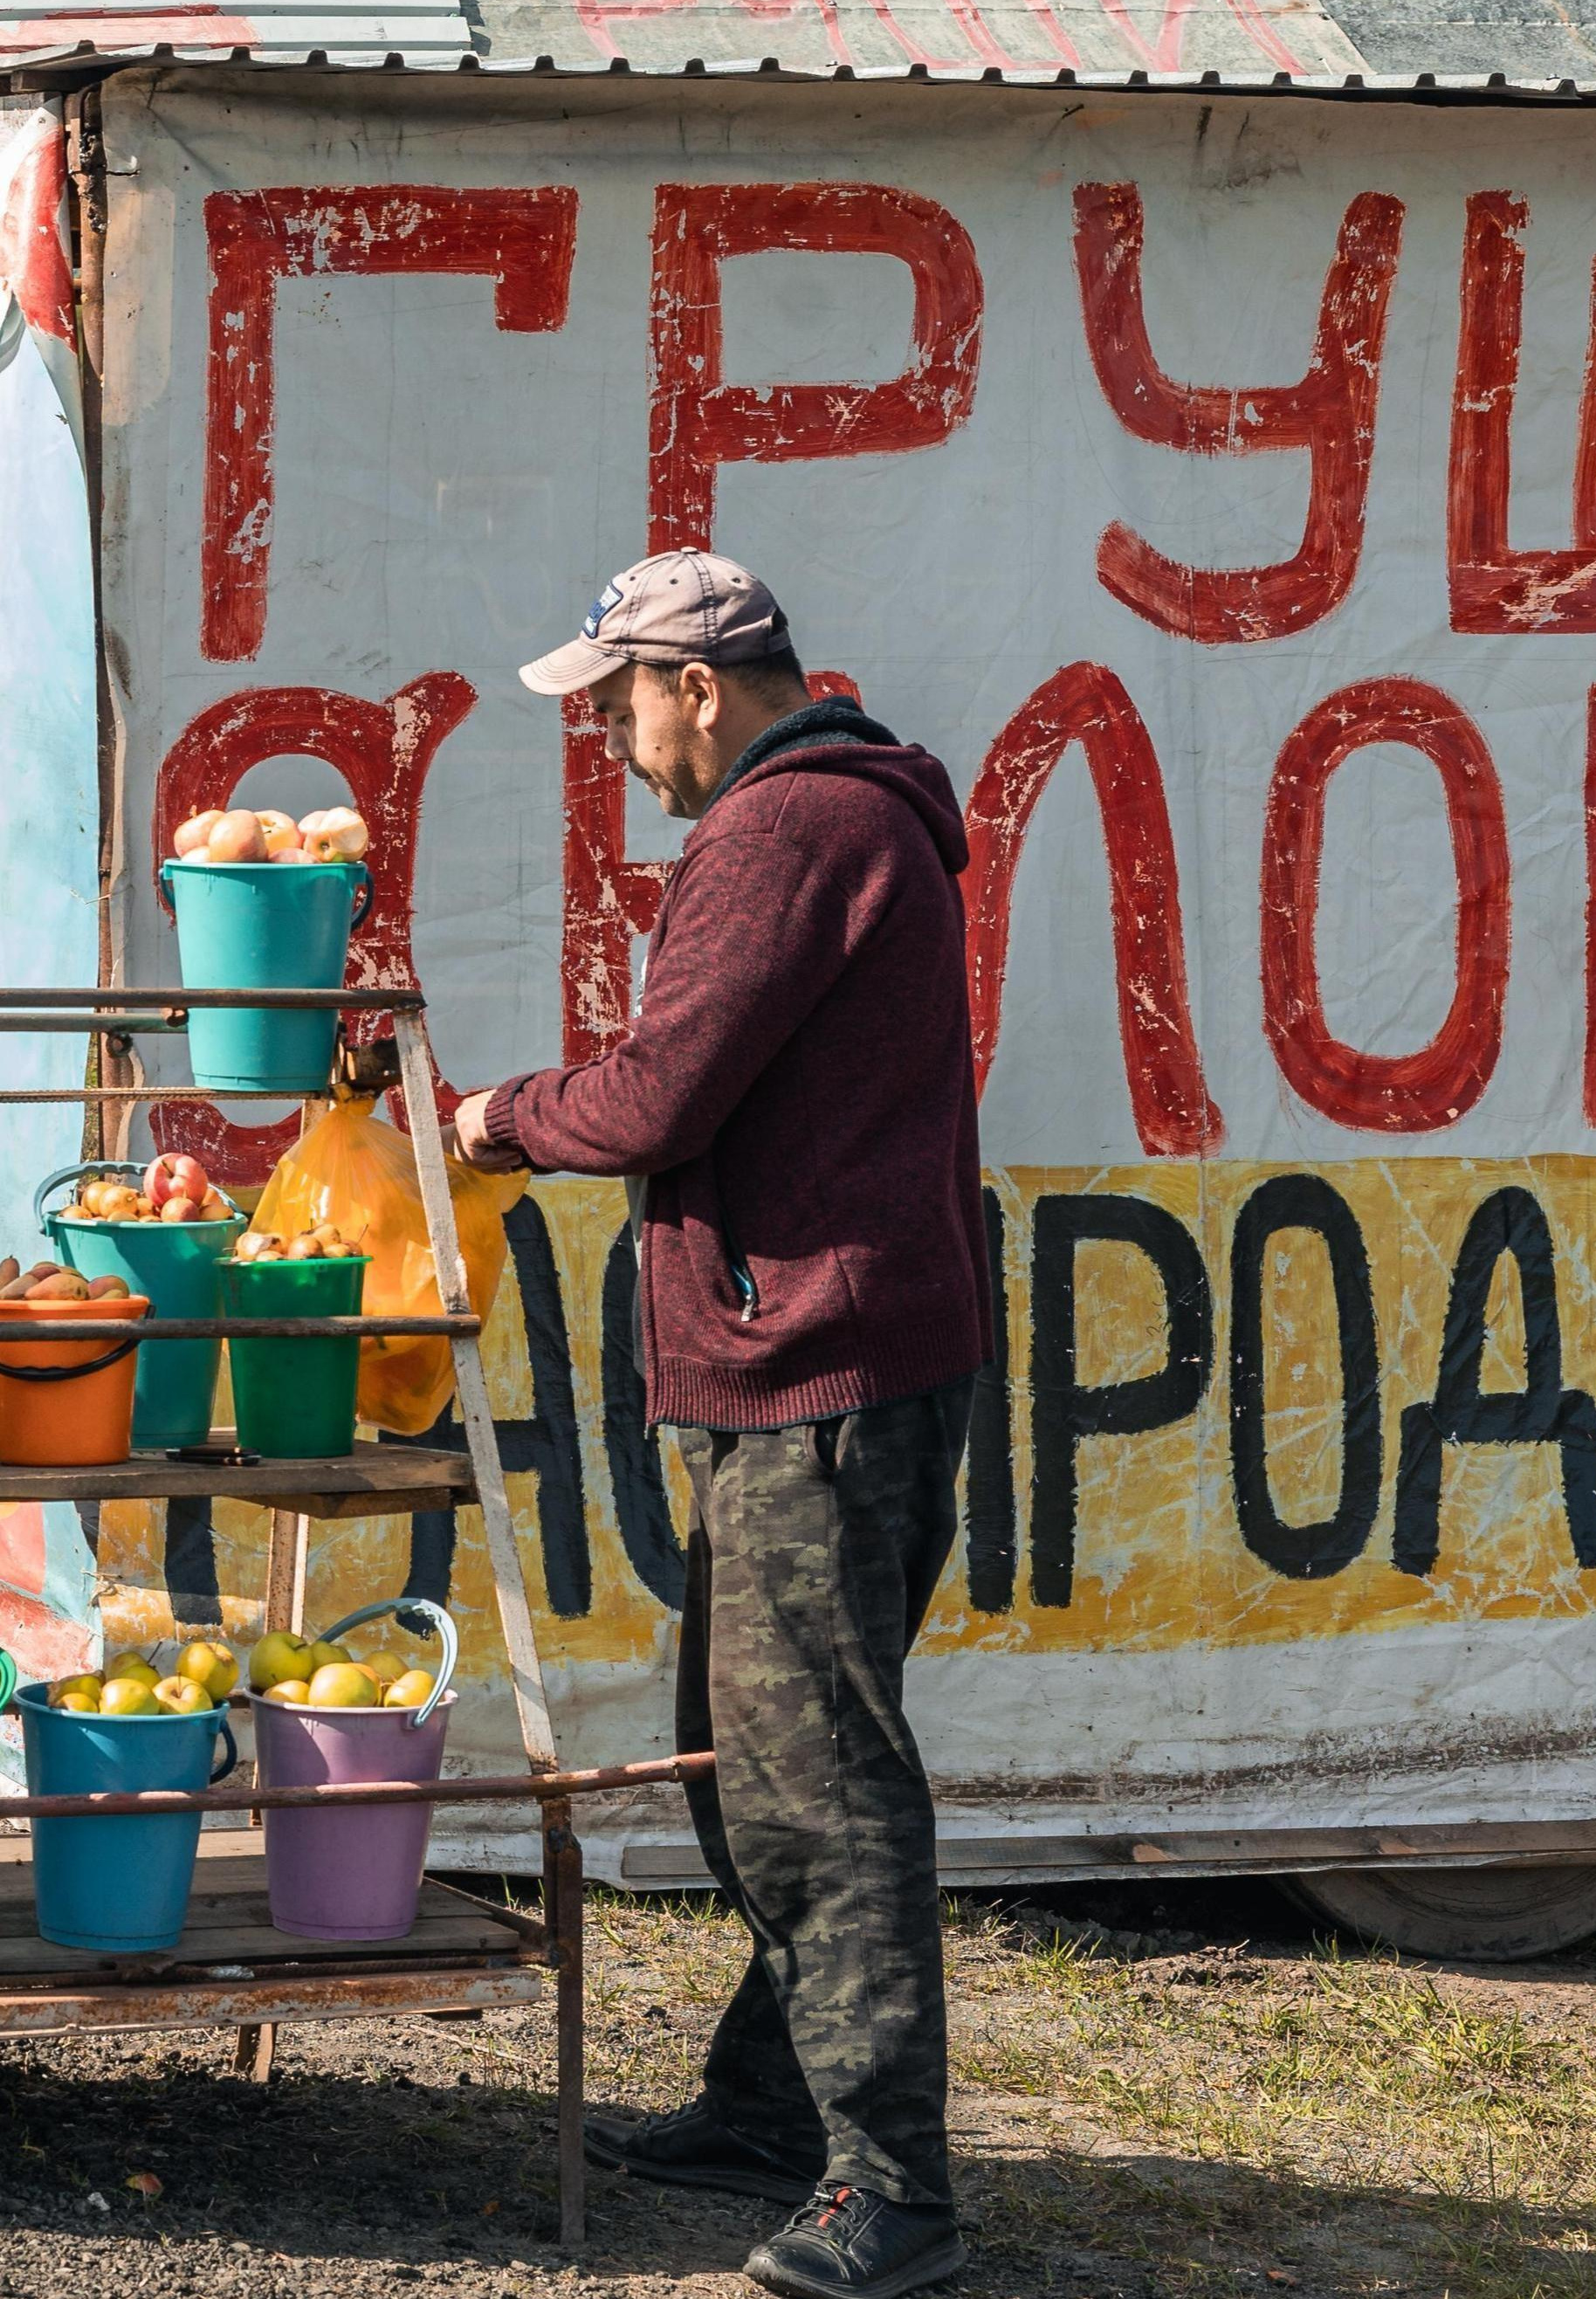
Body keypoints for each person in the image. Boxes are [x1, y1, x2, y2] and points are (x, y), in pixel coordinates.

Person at [450, 549, 987, 2299]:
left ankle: (892, 2194)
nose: (611, 737)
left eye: (618, 702)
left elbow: (665, 1090)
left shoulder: (780, 833)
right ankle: (769, 2109)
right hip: (844, 1360)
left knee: (815, 1784)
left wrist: (499, 1118)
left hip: (815, 1377)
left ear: (699, 682)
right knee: (766, 1763)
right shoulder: (846, 814)